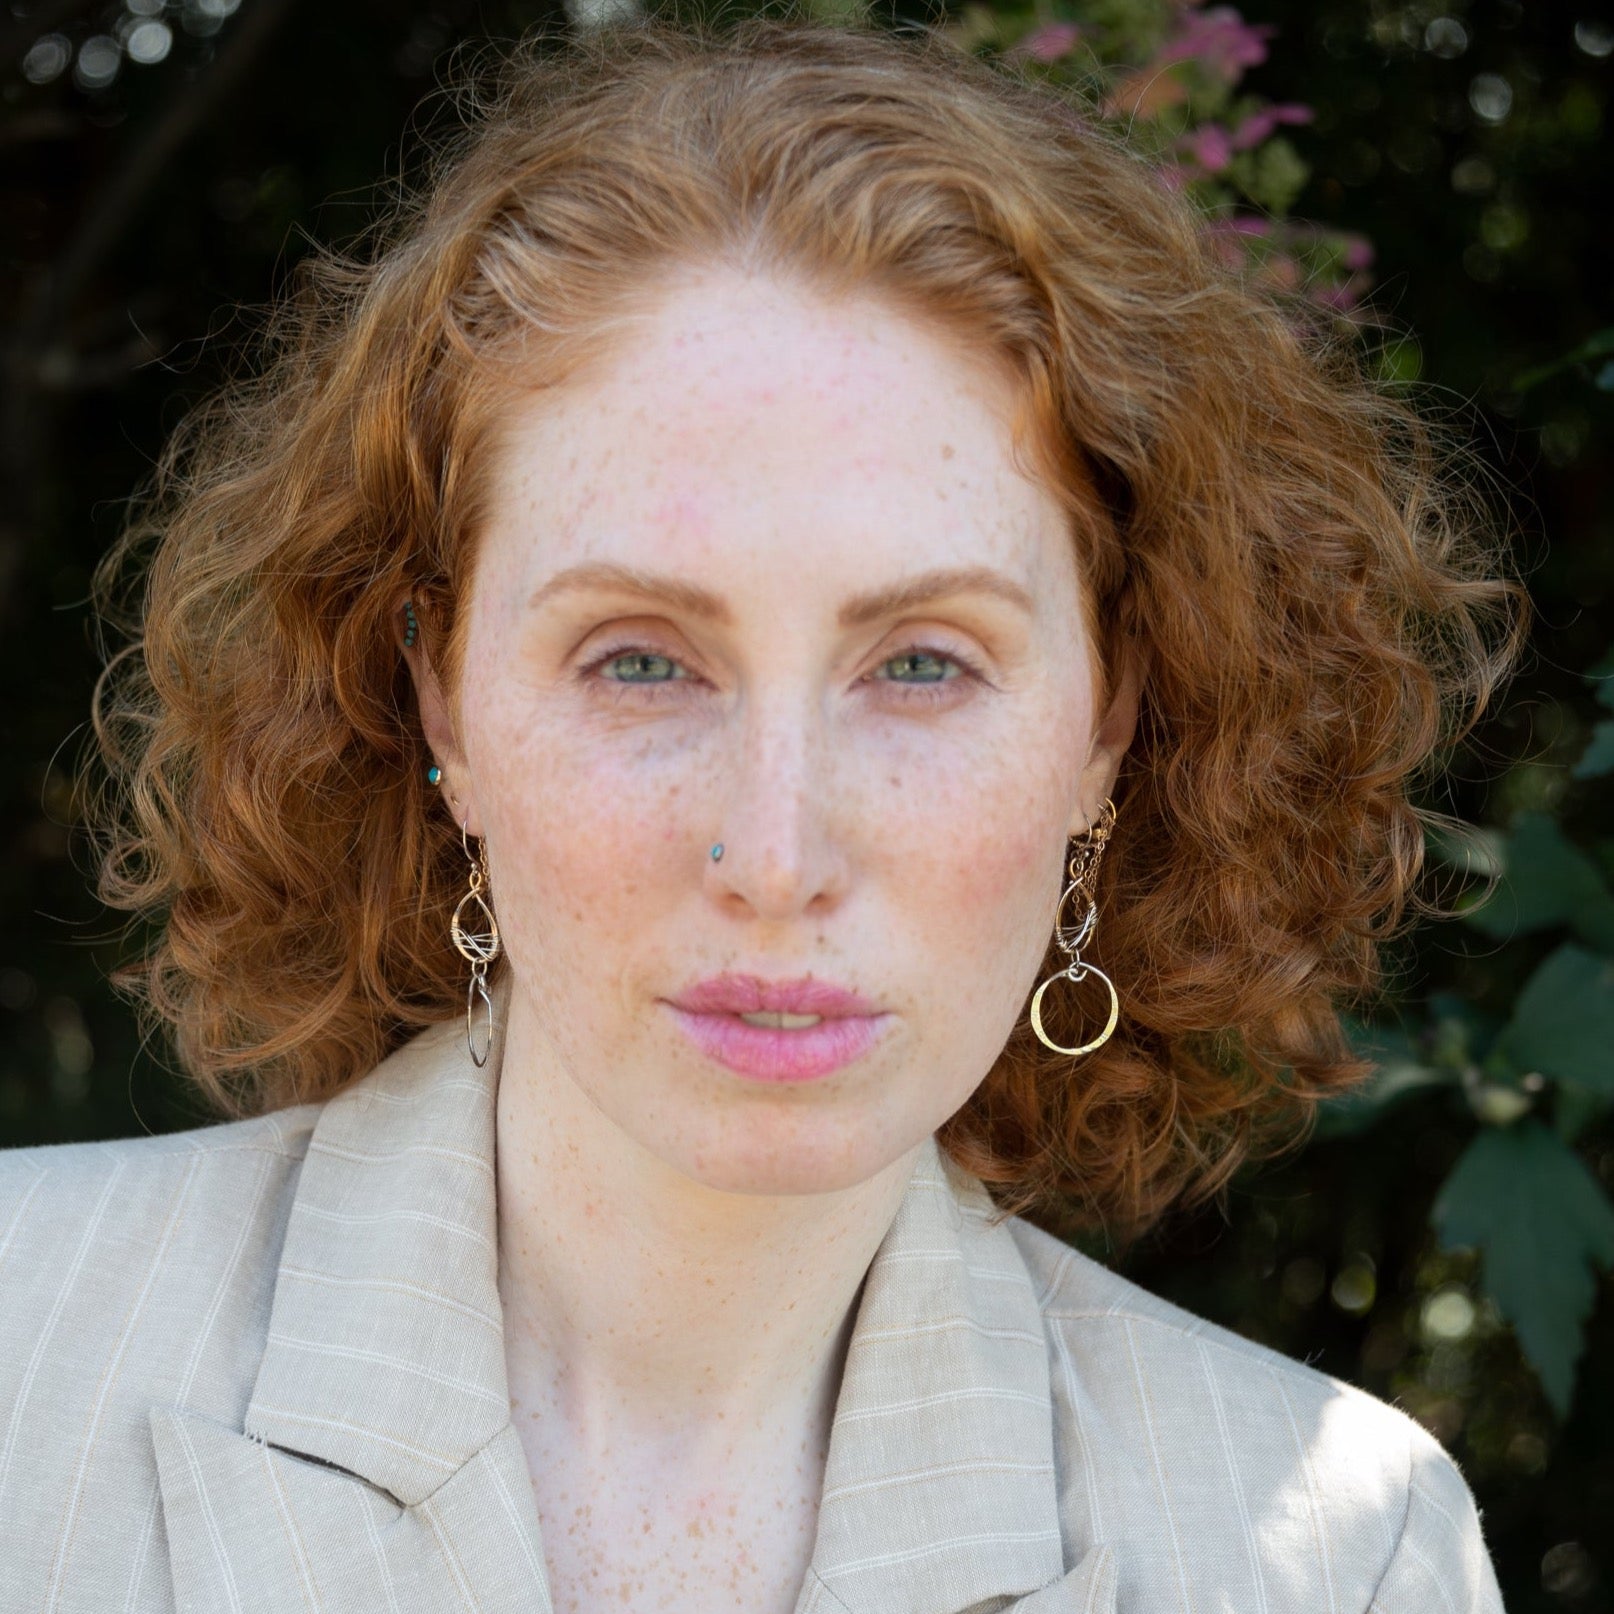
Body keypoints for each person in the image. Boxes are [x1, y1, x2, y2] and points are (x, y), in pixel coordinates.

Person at [0, 11, 1524, 1613]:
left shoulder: (1336, 1556)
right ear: (441, 700)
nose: (777, 857)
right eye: (643, 661)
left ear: (1109, 727)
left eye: (923, 663)